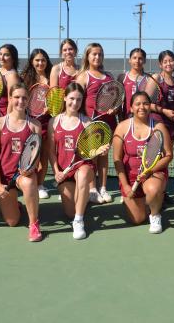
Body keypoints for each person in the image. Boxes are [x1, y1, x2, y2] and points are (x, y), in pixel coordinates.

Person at [48, 83, 107, 239]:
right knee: (70, 212)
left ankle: (79, 221)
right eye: (72, 98)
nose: (75, 103)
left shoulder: (87, 122)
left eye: (79, 100)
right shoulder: (53, 122)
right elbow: (51, 152)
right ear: (65, 97)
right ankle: (82, 198)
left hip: (82, 166)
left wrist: (98, 151)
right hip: (64, 171)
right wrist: (56, 172)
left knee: (83, 176)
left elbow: (91, 152)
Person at [0, 83, 43, 242]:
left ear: (29, 101)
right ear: (10, 98)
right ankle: (17, 205)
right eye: (17, 97)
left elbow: (36, 156)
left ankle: (33, 224)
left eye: (24, 98)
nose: (21, 101)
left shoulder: (35, 125)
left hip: (23, 175)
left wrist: (30, 168)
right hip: (5, 179)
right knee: (12, 222)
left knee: (28, 183)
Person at [113, 91, 173, 233]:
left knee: (152, 189)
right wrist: (126, 185)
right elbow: (117, 159)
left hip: (152, 174)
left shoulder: (159, 127)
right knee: (137, 219)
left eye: (146, 103)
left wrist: (149, 171)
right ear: (131, 108)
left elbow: (168, 155)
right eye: (137, 104)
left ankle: (155, 214)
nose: (142, 107)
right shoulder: (122, 127)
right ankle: (151, 202)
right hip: (131, 177)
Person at [75, 43, 116, 204]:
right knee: (92, 156)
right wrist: (83, 120)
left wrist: (114, 108)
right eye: (94, 54)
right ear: (87, 57)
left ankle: (103, 188)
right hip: (90, 123)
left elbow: (114, 97)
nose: (97, 57)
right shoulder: (83, 76)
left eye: (100, 54)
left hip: (108, 122)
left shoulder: (109, 76)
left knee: (104, 155)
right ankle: (92, 189)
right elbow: (77, 100)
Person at [151, 50, 174, 205]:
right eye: (165, 61)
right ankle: (159, 193)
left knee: (169, 157)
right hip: (158, 122)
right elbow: (145, 102)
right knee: (161, 158)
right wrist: (164, 111)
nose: (168, 64)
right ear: (160, 64)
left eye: (171, 61)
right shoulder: (156, 79)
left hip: (173, 123)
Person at [21, 48, 53, 200]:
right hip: (30, 122)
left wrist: (50, 107)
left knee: (44, 156)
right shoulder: (25, 79)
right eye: (37, 60)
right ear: (32, 62)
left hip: (47, 123)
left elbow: (57, 99)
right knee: (31, 155)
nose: (40, 63)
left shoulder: (52, 78)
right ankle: (28, 182)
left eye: (43, 60)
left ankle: (40, 184)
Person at [118, 48, 148, 118]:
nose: (137, 61)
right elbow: (118, 100)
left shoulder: (149, 79)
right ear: (129, 60)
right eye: (134, 58)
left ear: (144, 61)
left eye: (140, 58)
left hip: (144, 119)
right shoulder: (122, 77)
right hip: (126, 118)